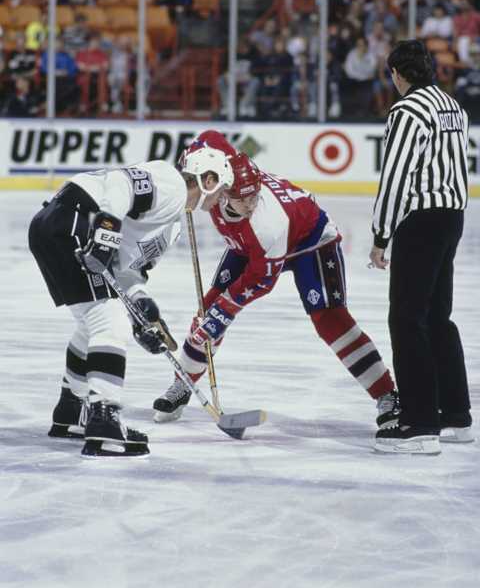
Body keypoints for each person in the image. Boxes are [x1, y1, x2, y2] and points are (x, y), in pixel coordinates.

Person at [153, 130, 400, 430]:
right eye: (244, 200)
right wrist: (188, 163)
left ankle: (387, 395)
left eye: (255, 198)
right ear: (222, 188)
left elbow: (259, 282)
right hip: (250, 246)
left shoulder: (266, 223)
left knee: (330, 320)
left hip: (310, 242)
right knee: (207, 310)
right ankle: (184, 383)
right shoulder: (220, 169)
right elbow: (209, 136)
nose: (251, 204)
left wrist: (223, 313)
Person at [28, 147, 234, 458]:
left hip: (59, 227)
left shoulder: (173, 225)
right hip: (73, 220)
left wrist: (144, 311)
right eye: (224, 189)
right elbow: (119, 184)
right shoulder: (172, 182)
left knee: (93, 324)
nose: (225, 198)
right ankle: (104, 423)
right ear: (208, 179)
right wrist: (107, 230)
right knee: (109, 323)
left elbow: (126, 270)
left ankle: (71, 411)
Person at [369, 40, 472, 455]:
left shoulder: (407, 111)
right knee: (437, 316)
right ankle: (456, 414)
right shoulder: (453, 106)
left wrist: (381, 236)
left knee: (407, 319)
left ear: (397, 73)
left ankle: (419, 424)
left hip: (421, 221)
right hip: (453, 217)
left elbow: (396, 176)